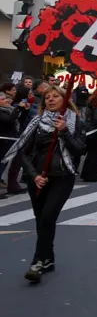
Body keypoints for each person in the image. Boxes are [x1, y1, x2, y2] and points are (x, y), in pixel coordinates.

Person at [3, 85, 85, 284]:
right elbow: (23, 151)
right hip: (38, 178)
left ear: (65, 99)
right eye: (47, 97)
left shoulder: (75, 122)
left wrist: (64, 131)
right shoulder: (36, 123)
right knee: (41, 220)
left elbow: (79, 150)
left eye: (55, 96)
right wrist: (34, 175)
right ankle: (48, 258)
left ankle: (37, 262)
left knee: (48, 217)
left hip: (62, 177)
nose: (50, 99)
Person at [0, 89, 19, 198]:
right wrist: (18, 109)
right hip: (2, 139)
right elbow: (8, 120)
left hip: (9, 139)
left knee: (3, 163)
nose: (6, 101)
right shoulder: (2, 111)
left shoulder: (9, 109)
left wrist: (22, 110)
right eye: (3, 99)